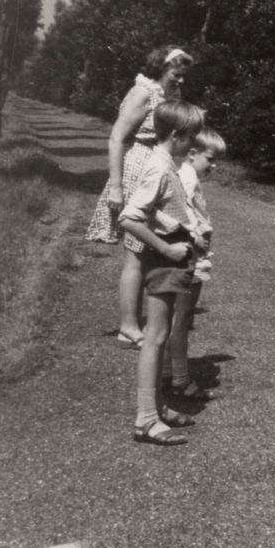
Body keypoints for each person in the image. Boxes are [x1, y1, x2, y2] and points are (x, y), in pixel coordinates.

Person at [86, 46, 194, 347]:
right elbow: (116, 138)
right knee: (136, 252)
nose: (181, 81)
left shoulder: (166, 94)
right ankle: (128, 326)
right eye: (176, 74)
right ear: (161, 68)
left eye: (183, 76)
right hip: (137, 168)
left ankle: (140, 321)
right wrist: (116, 186)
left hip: (156, 168)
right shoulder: (142, 93)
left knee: (145, 252)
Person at [118, 100, 206, 446]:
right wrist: (167, 249)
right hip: (165, 259)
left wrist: (187, 230)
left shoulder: (166, 163)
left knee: (162, 333)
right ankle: (145, 418)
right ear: (175, 135)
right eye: (191, 137)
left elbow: (154, 209)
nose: (193, 144)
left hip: (174, 256)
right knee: (155, 337)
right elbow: (129, 218)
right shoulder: (159, 167)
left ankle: (157, 407)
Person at [159, 127, 226, 401]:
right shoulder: (186, 178)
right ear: (193, 153)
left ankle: (167, 372)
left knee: (178, 318)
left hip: (191, 255)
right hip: (191, 258)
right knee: (182, 319)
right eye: (210, 159)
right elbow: (177, 213)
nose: (214, 165)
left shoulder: (185, 175)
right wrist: (195, 235)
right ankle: (180, 379)